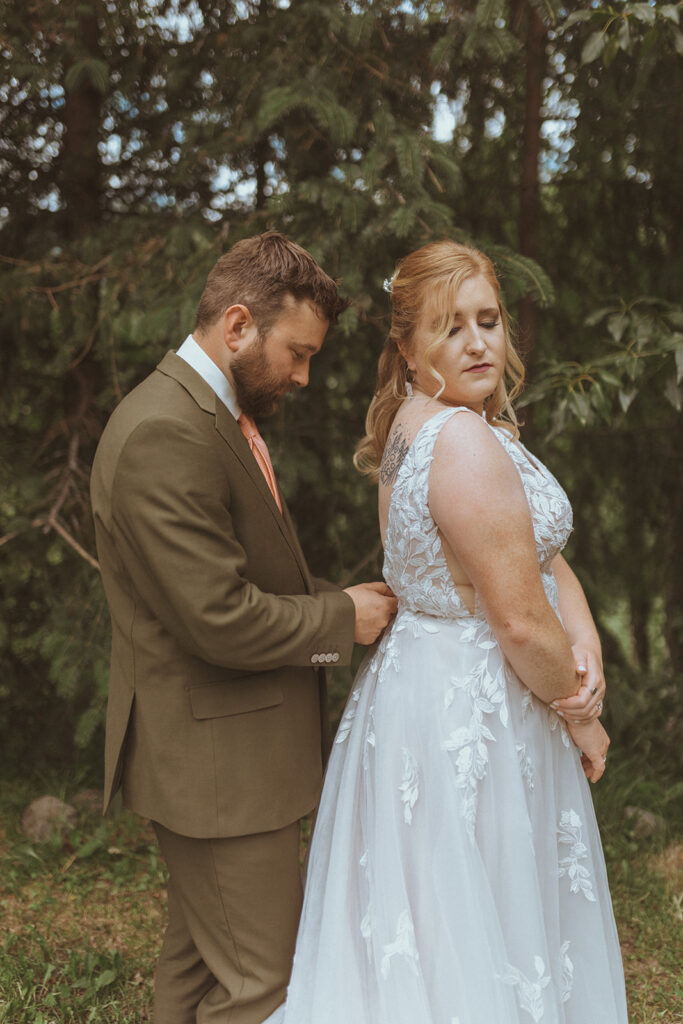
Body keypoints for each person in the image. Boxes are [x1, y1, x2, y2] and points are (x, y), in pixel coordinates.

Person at [263, 240, 628, 1023]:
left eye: (488, 321)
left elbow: (541, 557)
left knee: (439, 919)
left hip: (423, 687)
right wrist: (584, 718)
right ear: (406, 344)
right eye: (450, 326)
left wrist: (586, 632)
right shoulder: (462, 444)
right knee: (475, 921)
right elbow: (519, 619)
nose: (476, 342)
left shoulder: (424, 421)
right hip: (477, 704)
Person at [89, 230, 397, 1024]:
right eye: (296, 353)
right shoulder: (166, 432)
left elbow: (241, 579)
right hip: (216, 767)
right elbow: (217, 619)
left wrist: (337, 598)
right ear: (236, 325)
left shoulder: (207, 414)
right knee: (263, 986)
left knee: (195, 970)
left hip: (226, 757)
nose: (301, 374)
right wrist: (341, 619)